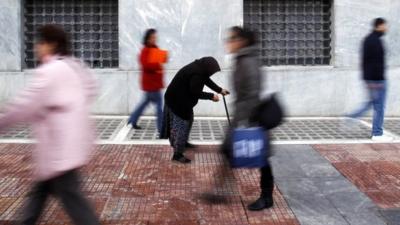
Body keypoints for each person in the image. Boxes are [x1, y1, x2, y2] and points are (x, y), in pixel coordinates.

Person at [0, 25, 100, 225]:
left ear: (51, 44)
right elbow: (91, 88)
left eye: (41, 42)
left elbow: (25, 105)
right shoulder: (73, 65)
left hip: (58, 151)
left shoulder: (50, 72)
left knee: (74, 202)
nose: (37, 47)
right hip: (69, 146)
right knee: (39, 194)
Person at [224, 26, 274, 211]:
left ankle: (266, 197)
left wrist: (244, 121)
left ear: (242, 41)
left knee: (261, 158)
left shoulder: (248, 61)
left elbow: (252, 93)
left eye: (232, 38)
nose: (228, 42)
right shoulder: (243, 59)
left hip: (251, 116)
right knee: (235, 152)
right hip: (246, 115)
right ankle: (223, 188)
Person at [161, 57, 229, 164]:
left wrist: (220, 90)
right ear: (208, 68)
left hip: (182, 100)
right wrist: (211, 96)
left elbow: (206, 80)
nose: (211, 74)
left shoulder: (199, 70)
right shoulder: (196, 73)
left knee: (189, 120)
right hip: (176, 102)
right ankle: (177, 155)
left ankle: (183, 143)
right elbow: (195, 92)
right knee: (181, 126)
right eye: (212, 72)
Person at [348, 18, 391, 141]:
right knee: (379, 106)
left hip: (372, 79)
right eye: (385, 25)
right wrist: (375, 81)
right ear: (379, 26)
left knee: (372, 103)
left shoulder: (371, 39)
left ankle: (352, 116)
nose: (386, 28)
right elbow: (373, 63)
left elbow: (366, 61)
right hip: (377, 80)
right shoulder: (374, 41)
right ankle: (377, 133)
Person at [128, 29, 167, 133]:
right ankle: (161, 128)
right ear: (148, 39)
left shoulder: (155, 48)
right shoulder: (145, 51)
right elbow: (146, 65)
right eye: (153, 37)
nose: (155, 39)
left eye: (155, 37)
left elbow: (161, 61)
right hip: (151, 84)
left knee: (144, 104)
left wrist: (164, 57)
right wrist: (157, 64)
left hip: (155, 83)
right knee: (159, 107)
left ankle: (132, 119)